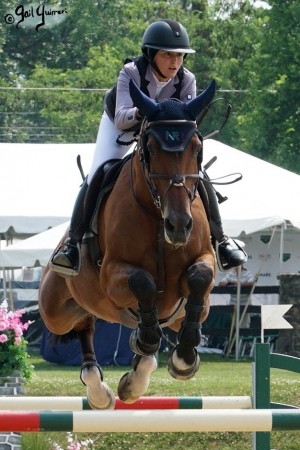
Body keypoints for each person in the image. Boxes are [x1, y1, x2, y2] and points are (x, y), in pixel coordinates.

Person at [50, 19, 247, 277]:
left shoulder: (187, 79)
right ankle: (73, 245)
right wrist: (146, 115)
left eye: (179, 55)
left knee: (197, 175)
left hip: (162, 138)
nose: (175, 62)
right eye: (167, 55)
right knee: (98, 172)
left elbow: (188, 123)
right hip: (121, 127)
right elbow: (121, 117)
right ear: (151, 54)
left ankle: (221, 240)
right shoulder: (130, 73)